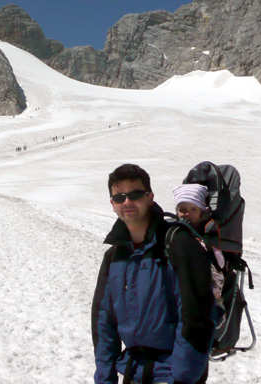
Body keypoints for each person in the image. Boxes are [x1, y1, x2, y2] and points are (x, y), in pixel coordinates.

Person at [92, 164, 214, 384]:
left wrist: (182, 377)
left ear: (150, 197)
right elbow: (104, 322)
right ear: (112, 204)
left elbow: (195, 318)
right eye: (119, 197)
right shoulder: (114, 256)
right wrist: (104, 377)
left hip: (173, 375)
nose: (127, 202)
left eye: (135, 194)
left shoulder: (178, 244)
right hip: (132, 371)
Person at [173, 184, 226, 324]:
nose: (186, 213)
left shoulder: (208, 232)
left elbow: (219, 262)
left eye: (193, 209)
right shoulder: (173, 230)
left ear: (202, 211)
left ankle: (213, 310)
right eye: (182, 209)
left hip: (206, 275)